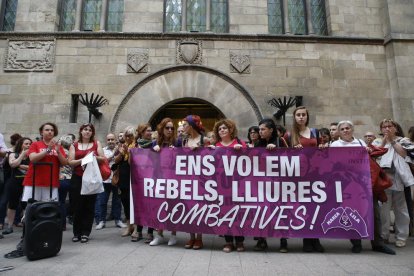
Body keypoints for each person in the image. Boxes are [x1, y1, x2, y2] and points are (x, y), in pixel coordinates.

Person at [330, 120, 395, 254]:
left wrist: (367, 151)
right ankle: (356, 242)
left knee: (374, 213)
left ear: (352, 130)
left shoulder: (360, 143)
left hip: (365, 184)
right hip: (347, 185)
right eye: (342, 129)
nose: (345, 130)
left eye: (348, 128)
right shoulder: (335, 144)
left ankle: (378, 243)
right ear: (339, 132)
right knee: (352, 214)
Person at [291, 106, 325, 253]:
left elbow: (321, 151)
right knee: (304, 208)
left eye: (303, 114)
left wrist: (323, 148)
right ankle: (307, 239)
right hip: (299, 176)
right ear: (294, 117)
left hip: (315, 174)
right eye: (298, 115)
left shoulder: (314, 132)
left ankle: (315, 239)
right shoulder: (289, 135)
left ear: (307, 116)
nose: (301, 117)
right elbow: (284, 156)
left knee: (315, 207)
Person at [212, 119, 247, 253]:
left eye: (225, 128)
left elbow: (249, 160)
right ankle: (228, 242)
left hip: (238, 184)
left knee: (238, 213)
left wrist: (242, 150)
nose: (222, 130)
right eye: (220, 129)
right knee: (225, 212)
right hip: (222, 185)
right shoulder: (216, 145)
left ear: (230, 130)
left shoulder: (239, 143)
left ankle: (239, 241)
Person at [379, 119, 414, 248]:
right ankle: (384, 235)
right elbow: (376, 155)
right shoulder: (380, 142)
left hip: (400, 179)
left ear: (396, 128)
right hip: (384, 179)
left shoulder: (404, 140)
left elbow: (405, 155)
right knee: (384, 210)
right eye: (384, 127)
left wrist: (392, 140)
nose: (387, 129)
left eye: (389, 126)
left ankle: (401, 237)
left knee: (401, 210)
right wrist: (384, 140)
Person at [68, 123, 105, 243]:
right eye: (85, 129)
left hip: (91, 179)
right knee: (77, 205)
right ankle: (76, 232)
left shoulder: (96, 143)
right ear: (81, 131)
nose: (87, 132)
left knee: (89, 206)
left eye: (90, 130)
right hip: (78, 177)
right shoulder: (74, 145)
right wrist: (83, 160)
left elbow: (102, 158)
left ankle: (85, 232)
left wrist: (93, 156)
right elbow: (71, 162)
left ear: (92, 132)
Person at [255, 118, 289, 252]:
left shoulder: (280, 141)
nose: (260, 132)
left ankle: (283, 241)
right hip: (262, 184)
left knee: (281, 211)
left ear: (271, 130)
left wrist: (277, 151)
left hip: (278, 184)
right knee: (261, 212)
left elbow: (291, 157)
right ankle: (262, 240)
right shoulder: (258, 143)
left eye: (263, 129)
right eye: (259, 129)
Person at [150, 118, 179, 246]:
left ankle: (173, 234)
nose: (170, 130)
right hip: (159, 178)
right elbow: (146, 161)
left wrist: (176, 152)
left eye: (172, 128)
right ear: (162, 128)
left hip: (173, 179)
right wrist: (153, 150)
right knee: (159, 206)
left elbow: (185, 159)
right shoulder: (155, 143)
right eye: (167, 127)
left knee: (173, 206)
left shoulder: (177, 142)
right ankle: (159, 234)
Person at [181, 115, 207, 250]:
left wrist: (201, 150)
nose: (183, 127)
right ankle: (191, 237)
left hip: (201, 179)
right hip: (187, 179)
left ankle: (199, 238)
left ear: (191, 126)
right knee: (188, 208)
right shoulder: (184, 140)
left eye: (185, 125)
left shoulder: (204, 139)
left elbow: (214, 155)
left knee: (199, 208)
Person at [95, 133, 125, 231]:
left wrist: (119, 152)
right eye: (109, 140)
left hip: (116, 179)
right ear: (106, 141)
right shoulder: (102, 150)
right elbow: (104, 161)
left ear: (115, 140)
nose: (110, 141)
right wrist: (114, 154)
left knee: (117, 201)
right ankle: (101, 221)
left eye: (112, 139)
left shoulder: (120, 149)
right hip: (105, 179)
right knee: (102, 201)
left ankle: (118, 220)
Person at [2, 137, 32, 235]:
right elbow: (13, 164)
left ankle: (27, 226)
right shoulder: (12, 154)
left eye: (29, 144)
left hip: (27, 182)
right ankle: (10, 226)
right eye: (26, 144)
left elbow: (33, 166)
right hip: (14, 182)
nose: (28, 146)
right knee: (12, 204)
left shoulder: (31, 156)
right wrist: (22, 155)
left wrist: (20, 165)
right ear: (21, 145)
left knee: (26, 204)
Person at [113, 127, 137, 239]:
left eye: (130, 135)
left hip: (134, 178)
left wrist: (129, 152)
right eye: (126, 135)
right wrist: (122, 153)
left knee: (134, 202)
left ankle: (136, 227)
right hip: (123, 178)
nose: (128, 138)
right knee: (125, 201)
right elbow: (116, 160)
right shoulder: (122, 146)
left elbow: (132, 162)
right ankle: (129, 226)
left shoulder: (136, 146)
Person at [135, 124, 155, 243]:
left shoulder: (154, 144)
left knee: (150, 205)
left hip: (151, 177)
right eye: (147, 131)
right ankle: (139, 230)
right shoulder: (136, 145)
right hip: (139, 178)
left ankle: (150, 232)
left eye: (150, 130)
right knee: (140, 205)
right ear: (141, 132)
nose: (149, 132)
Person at [58, 135, 73, 231]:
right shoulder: (71, 152)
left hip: (61, 178)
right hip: (70, 178)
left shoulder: (61, 152)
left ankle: (61, 223)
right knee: (65, 201)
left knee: (60, 202)